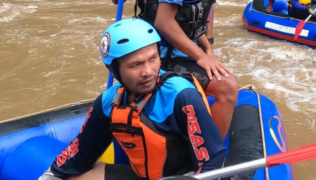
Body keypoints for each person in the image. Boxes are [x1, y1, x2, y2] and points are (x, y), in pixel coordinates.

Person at [38, 18, 225, 180]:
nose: (148, 71)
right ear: (114, 70)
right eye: (136, 65)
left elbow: (211, 161)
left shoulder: (181, 96)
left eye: (153, 58)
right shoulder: (109, 101)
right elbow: (81, 153)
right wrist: (51, 175)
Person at [143, 0, 238, 140]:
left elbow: (190, 20)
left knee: (220, 70)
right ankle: (212, 154)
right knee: (228, 86)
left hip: (180, 51)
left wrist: (207, 49)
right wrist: (200, 56)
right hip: (162, 57)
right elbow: (163, 21)